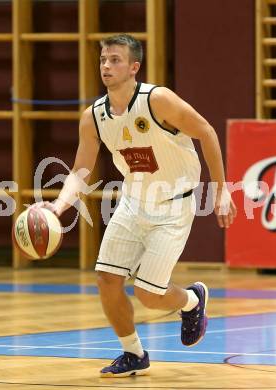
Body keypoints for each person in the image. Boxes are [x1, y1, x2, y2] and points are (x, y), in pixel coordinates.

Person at [37, 34, 236, 377]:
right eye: (103, 60)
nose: (106, 66)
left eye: (115, 60)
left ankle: (191, 301)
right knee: (106, 278)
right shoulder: (94, 116)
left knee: (147, 293)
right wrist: (57, 207)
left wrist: (222, 190)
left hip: (172, 208)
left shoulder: (158, 100)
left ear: (134, 67)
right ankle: (133, 353)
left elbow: (206, 132)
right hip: (132, 203)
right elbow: (80, 171)